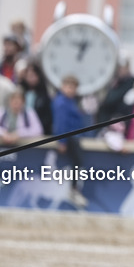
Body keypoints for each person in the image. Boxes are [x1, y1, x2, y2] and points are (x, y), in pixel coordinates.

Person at [52, 75, 89, 208]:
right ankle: (73, 189)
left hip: (74, 137)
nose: (70, 90)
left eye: (73, 87)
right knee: (77, 162)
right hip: (69, 138)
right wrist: (62, 141)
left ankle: (74, 188)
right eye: (68, 86)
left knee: (78, 162)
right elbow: (61, 123)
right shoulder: (61, 102)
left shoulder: (71, 102)